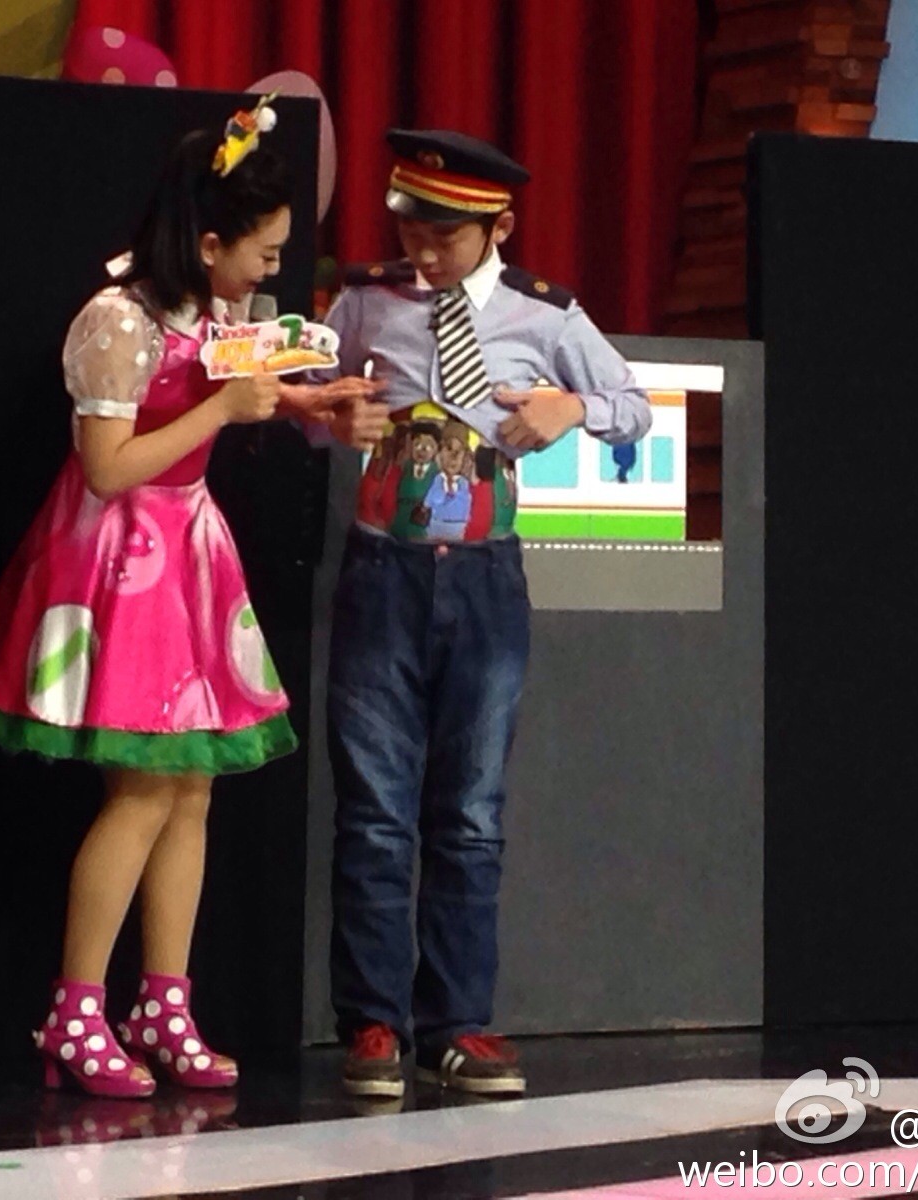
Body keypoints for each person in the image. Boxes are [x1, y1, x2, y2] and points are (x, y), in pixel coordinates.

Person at [0, 97, 377, 1098]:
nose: (273, 270)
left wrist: (307, 403)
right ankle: (75, 1013)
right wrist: (224, 410)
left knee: (192, 787)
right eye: (264, 252)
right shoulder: (117, 321)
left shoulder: (213, 315)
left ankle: (163, 1003)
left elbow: (222, 389)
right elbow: (107, 468)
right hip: (120, 560)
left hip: (187, 550)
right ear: (210, 241)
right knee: (143, 790)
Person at [316, 128, 652, 1098]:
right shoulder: (367, 300)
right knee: (375, 810)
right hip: (382, 573)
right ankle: (372, 1023)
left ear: (498, 226)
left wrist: (570, 410)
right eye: (410, 232)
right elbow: (309, 393)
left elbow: (630, 401)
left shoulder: (544, 314)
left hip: (485, 581)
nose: (423, 254)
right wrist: (326, 415)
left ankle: (457, 1022)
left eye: (445, 238)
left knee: (468, 811)